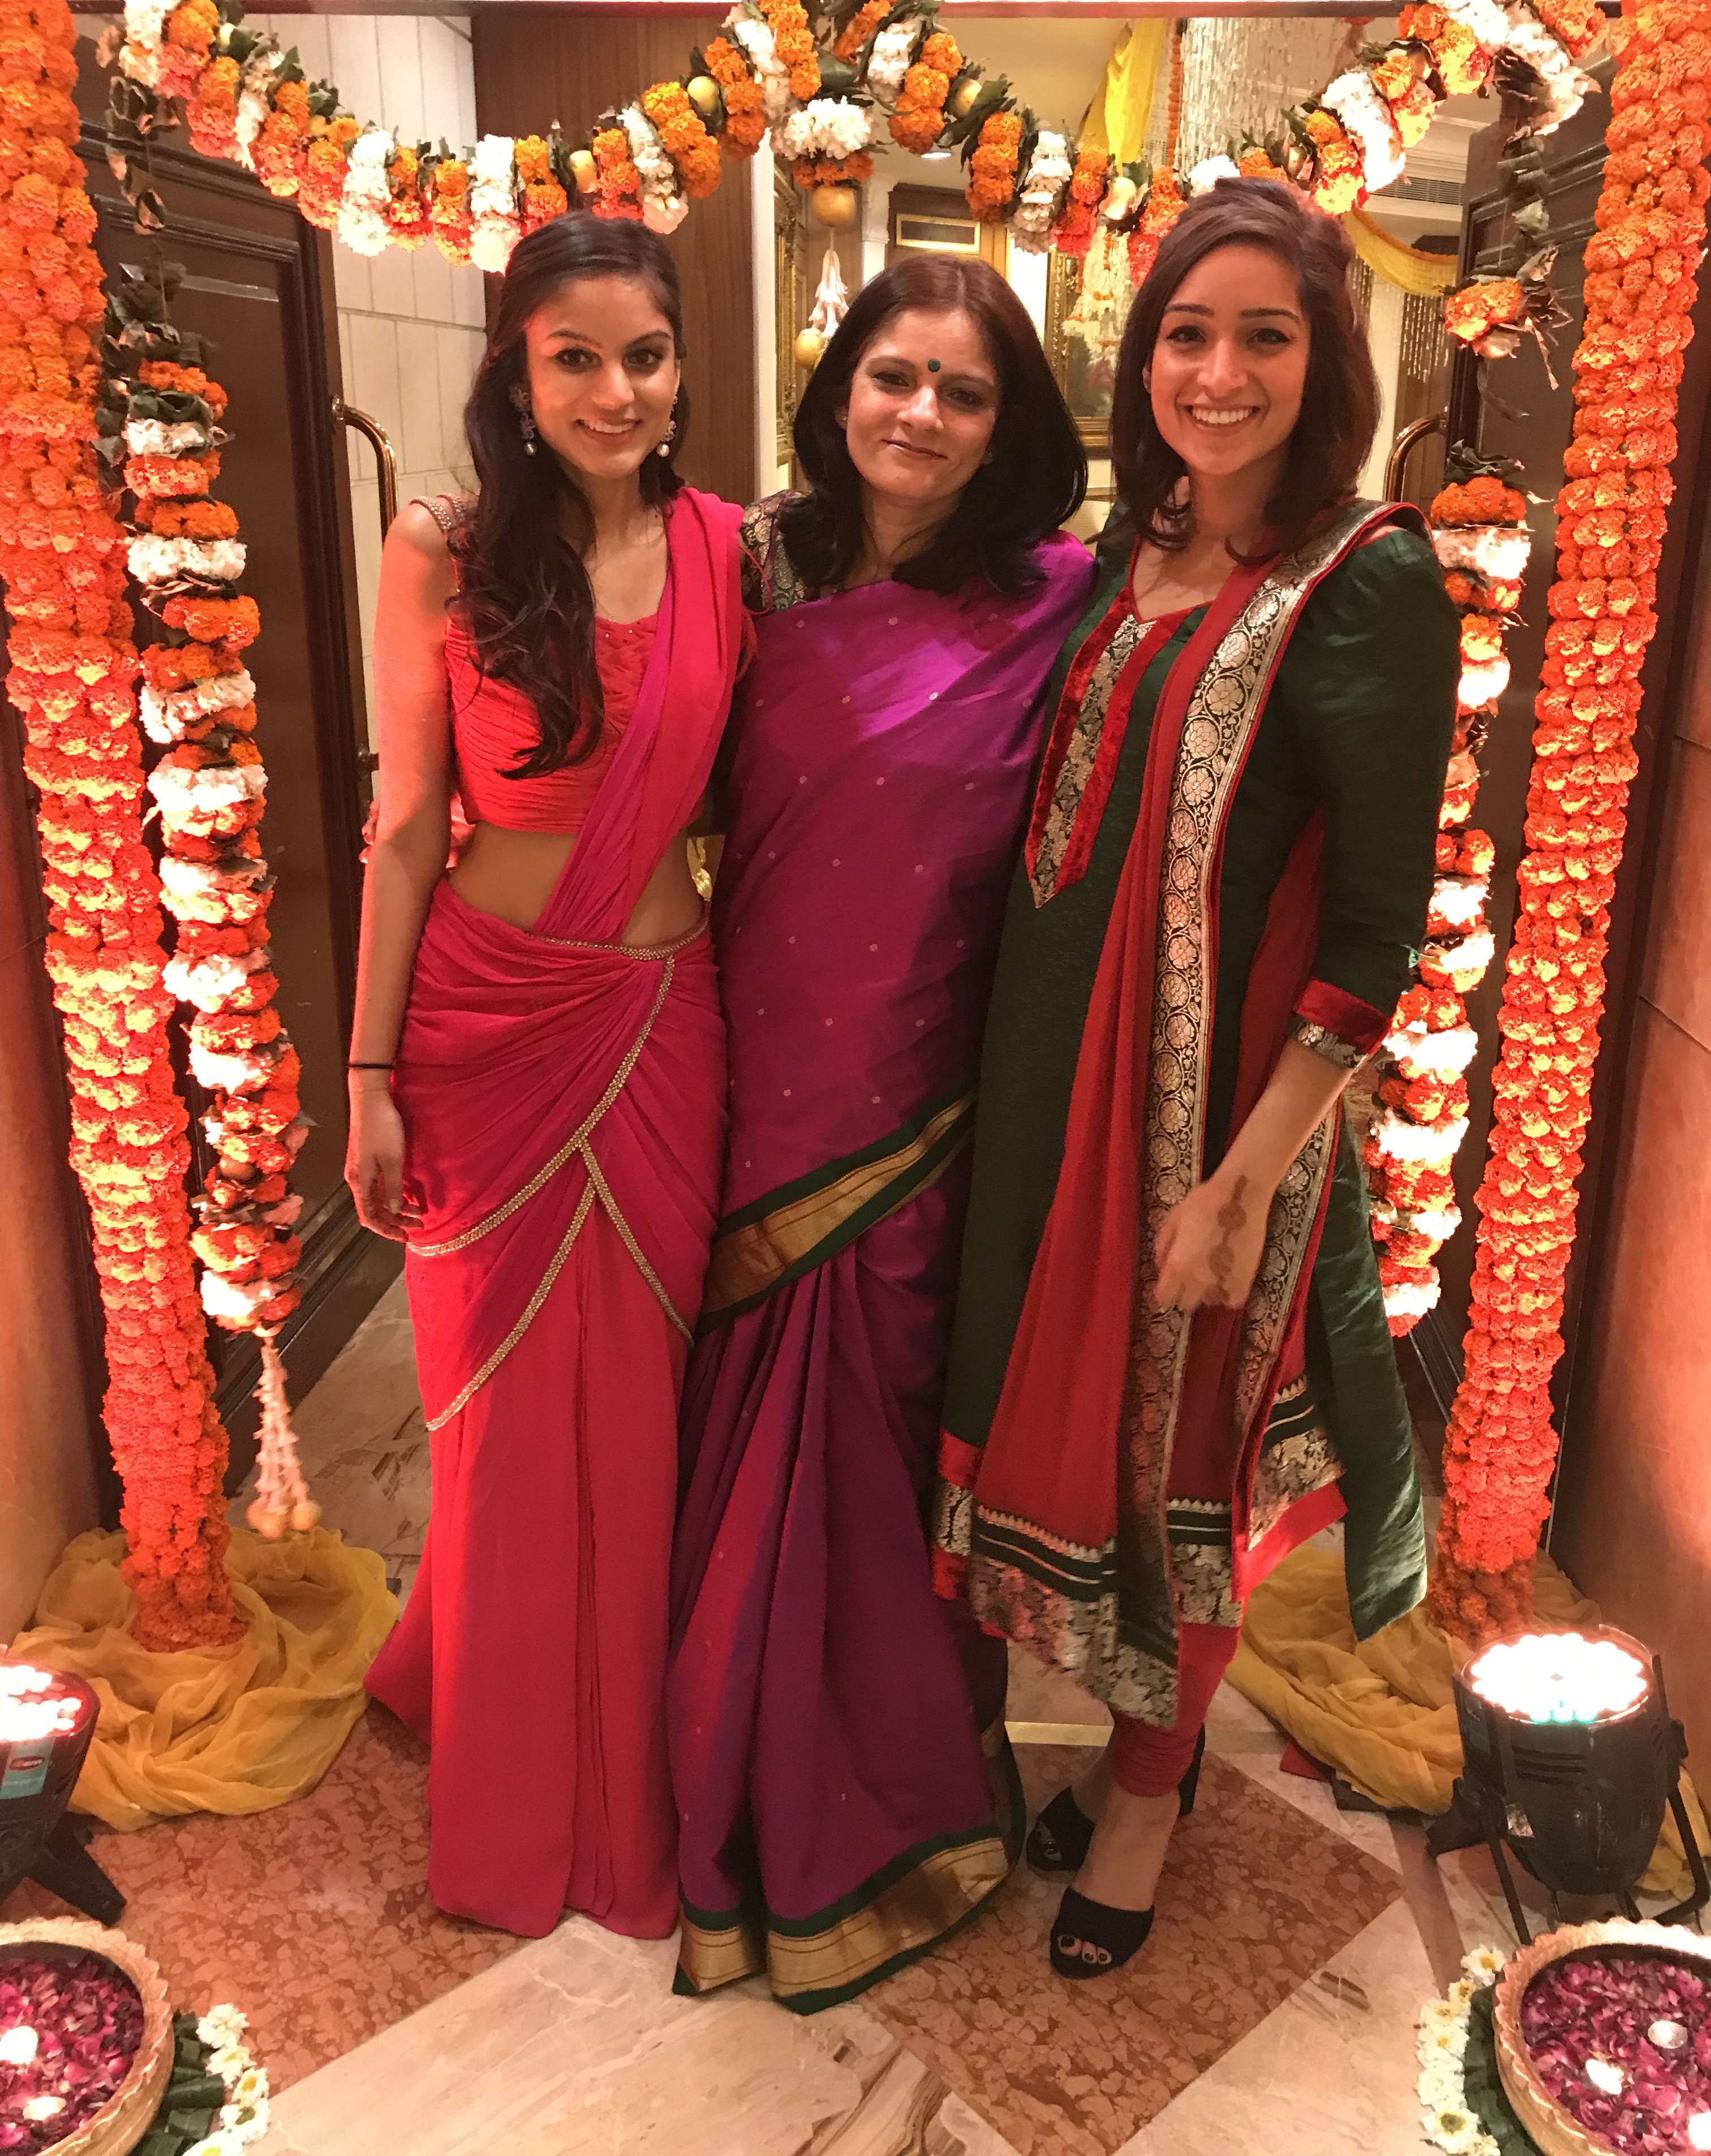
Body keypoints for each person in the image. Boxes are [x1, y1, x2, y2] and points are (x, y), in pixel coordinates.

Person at [932, 177, 1460, 1980]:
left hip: (1214, 1116)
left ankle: (1150, 1796)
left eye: (1265, 337)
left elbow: (1377, 929)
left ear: (1326, 366)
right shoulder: (1126, 551)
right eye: (1188, 333)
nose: (1219, 373)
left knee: (1181, 1459)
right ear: (1140, 354)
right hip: (1048, 1087)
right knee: (1064, 1439)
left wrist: (1245, 1182)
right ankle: (1112, 1753)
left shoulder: (1366, 579)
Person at [668, 256, 1093, 2011]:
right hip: (743, 1082)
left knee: (879, 1453)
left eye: (964, 391)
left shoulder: (1062, 600)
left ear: (1009, 429)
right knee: (734, 1430)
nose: (920, 413)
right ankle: (712, 1766)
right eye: (893, 376)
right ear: (836, 387)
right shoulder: (745, 569)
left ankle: (886, 1804)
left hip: (929, 1111)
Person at [344, 215, 747, 1942]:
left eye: (642, 355)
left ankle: (628, 1763)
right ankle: (510, 1770)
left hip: (662, 1024)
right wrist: (367, 1069)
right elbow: (405, 828)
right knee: (499, 1422)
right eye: (573, 357)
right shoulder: (439, 551)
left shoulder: (731, 550)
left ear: (680, 368)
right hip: (482, 1032)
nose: (613, 390)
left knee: (643, 1412)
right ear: (517, 368)